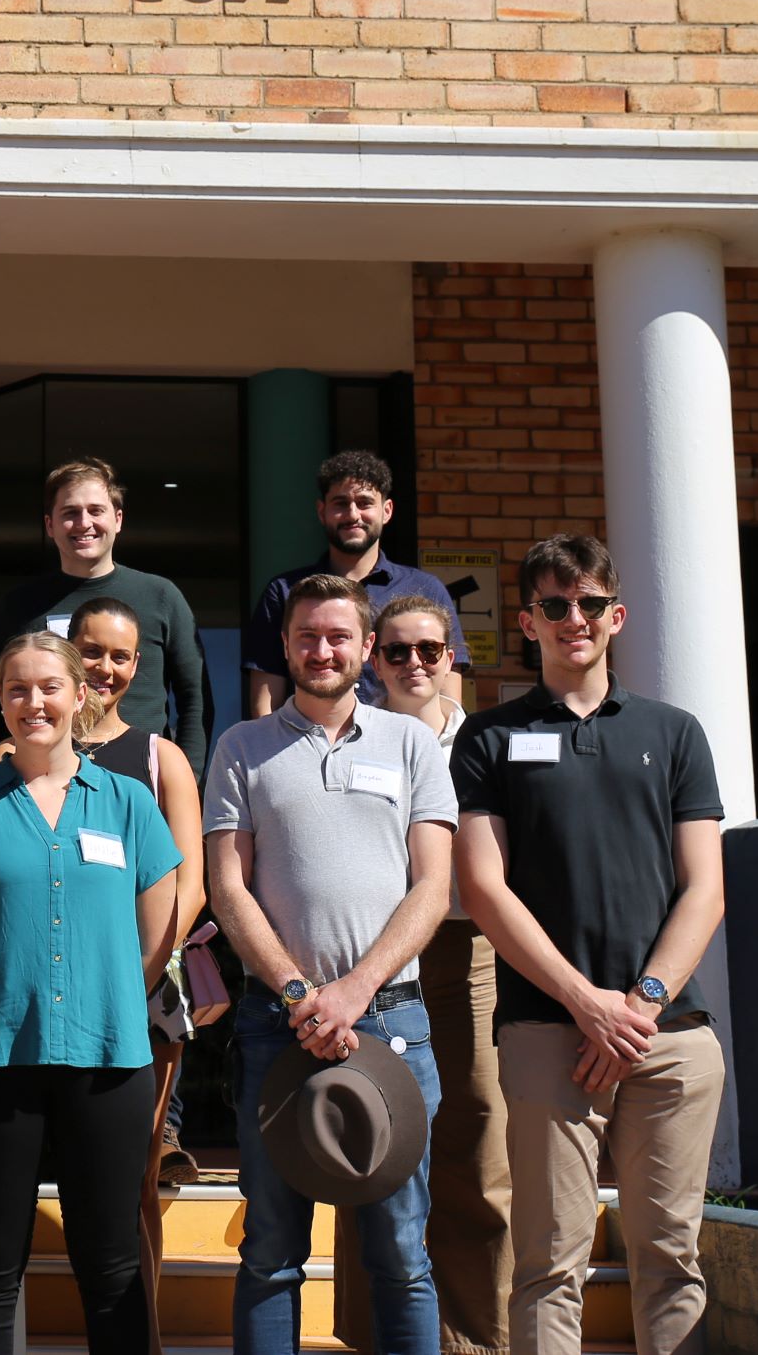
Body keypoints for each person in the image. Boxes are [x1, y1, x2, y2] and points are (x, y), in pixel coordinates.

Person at [452, 535, 728, 1355]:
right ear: (529, 621)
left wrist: (636, 1005)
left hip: (668, 1035)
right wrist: (585, 1003)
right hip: (547, 1031)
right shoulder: (489, 738)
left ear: (617, 616)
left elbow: (705, 887)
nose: (573, 619)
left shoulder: (675, 733)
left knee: (673, 1258)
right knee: (548, 1262)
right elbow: (484, 889)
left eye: (587, 603)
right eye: (552, 604)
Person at [205, 573, 456, 1355]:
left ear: (367, 649)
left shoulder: (410, 743)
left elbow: (434, 885)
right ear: (285, 645)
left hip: (393, 1023)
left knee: (401, 1255)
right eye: (307, 635)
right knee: (272, 1252)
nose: (322, 649)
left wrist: (353, 990)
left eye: (338, 636)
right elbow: (227, 884)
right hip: (277, 1023)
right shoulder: (241, 746)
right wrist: (299, 991)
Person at [0, 632, 183, 1355]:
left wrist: (112, 1004)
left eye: (48, 686)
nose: (34, 701)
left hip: (108, 1060)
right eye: (16, 688)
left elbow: (156, 940)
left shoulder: (127, 802)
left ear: (79, 694)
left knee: (111, 1264)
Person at [65, 598, 207, 1353]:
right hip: (49, 999)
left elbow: (191, 884)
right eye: (93, 650)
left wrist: (138, 974)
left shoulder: (160, 757)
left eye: (121, 656)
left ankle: (140, 1338)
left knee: (134, 1182)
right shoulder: (27, 750)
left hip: (139, 1001)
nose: (106, 668)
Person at [370, 594, 508, 1355]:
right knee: (381, 1140)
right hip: (380, 955)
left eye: (429, 649)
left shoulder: (485, 740)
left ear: (451, 656)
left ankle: (481, 1336)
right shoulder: (355, 736)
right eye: (397, 650)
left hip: (465, 947)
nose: (414, 664)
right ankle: (378, 1333)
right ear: (374, 658)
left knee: (478, 1127)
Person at [0, 457, 209, 773]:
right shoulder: (19, 605)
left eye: (96, 511)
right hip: (41, 777)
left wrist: (187, 776)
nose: (84, 523)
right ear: (50, 525)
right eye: (70, 513)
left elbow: (195, 700)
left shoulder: (161, 596)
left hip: (142, 772)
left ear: (118, 519)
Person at [242, 451, 465, 717]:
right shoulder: (285, 592)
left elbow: (448, 691)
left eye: (364, 502)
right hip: (308, 746)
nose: (352, 514)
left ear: (387, 511)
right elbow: (265, 702)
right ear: (322, 511)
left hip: (401, 752)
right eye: (340, 503)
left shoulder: (425, 589)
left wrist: (445, 750)